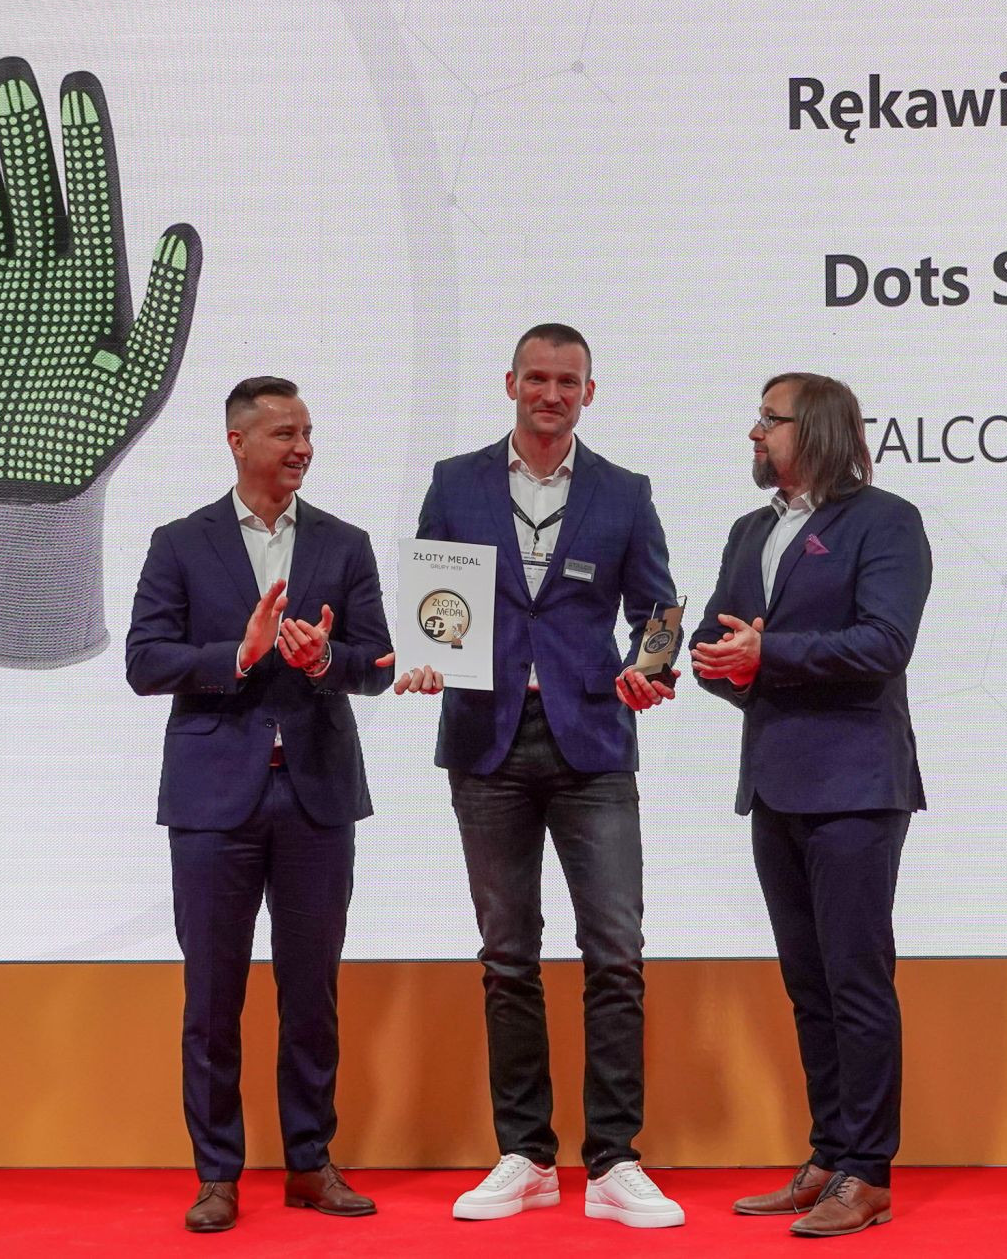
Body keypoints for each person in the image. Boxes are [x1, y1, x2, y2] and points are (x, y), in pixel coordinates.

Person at [393, 323, 685, 1228]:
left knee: (616, 953)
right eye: (536, 378)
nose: (550, 394)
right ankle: (524, 1155)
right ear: (510, 383)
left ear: (588, 393)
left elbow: (658, 608)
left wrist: (652, 666)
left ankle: (614, 1162)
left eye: (567, 381)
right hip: (485, 741)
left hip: (592, 741)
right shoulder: (455, 482)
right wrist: (427, 655)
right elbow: (434, 601)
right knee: (507, 956)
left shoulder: (624, 492)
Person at [125, 376, 394, 1234]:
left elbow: (378, 661)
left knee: (311, 992)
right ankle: (217, 1174)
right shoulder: (180, 543)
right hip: (213, 800)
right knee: (212, 997)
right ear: (237, 441)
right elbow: (143, 661)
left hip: (316, 793)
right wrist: (236, 655)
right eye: (284, 433)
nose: (302, 448)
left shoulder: (345, 544)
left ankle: (311, 1162)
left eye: (307, 432)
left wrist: (324, 662)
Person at [689, 372, 931, 1238]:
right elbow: (716, 640)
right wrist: (719, 665)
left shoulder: (885, 521)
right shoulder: (750, 530)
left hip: (857, 786)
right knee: (809, 985)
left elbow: (885, 643)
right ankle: (829, 1155)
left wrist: (770, 655)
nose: (755, 433)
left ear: (819, 429)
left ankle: (868, 1173)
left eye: (771, 419)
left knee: (856, 980)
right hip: (775, 783)